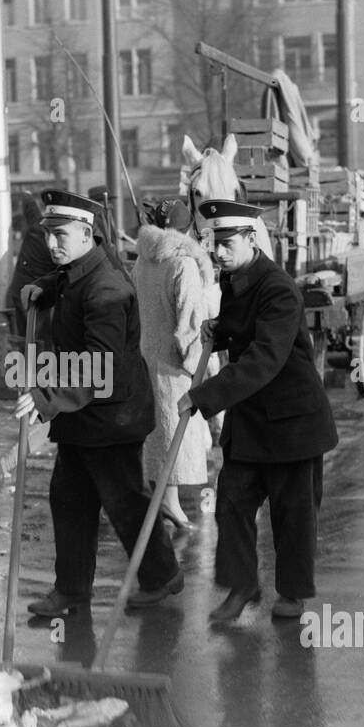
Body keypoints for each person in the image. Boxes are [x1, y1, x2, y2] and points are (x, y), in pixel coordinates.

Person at [13, 189, 184, 618]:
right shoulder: (80, 269)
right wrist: (44, 289)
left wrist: (44, 397)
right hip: (85, 416)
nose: (52, 245)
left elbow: (97, 365)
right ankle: (71, 590)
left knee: (124, 501)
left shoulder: (106, 287)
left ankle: (162, 575)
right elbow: (70, 280)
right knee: (69, 499)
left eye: (61, 235)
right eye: (48, 235)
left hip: (112, 418)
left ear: (87, 234)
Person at [180, 200, 337, 623]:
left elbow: (265, 357)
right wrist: (222, 330)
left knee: (294, 514)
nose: (219, 252)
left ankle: (291, 592)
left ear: (252, 238)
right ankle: (242, 585)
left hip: (292, 423)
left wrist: (203, 396)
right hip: (252, 419)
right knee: (231, 502)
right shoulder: (235, 279)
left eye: (228, 243)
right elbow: (244, 331)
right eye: (215, 243)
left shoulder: (278, 288)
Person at [133, 196, 214, 530]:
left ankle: (163, 500)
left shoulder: (143, 261)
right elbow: (190, 324)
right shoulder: (184, 265)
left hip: (146, 354)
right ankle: (169, 503)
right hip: (174, 362)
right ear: (188, 229)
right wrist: (199, 363)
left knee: (156, 431)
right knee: (174, 431)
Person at [4, 194, 55, 341]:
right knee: (39, 337)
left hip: (18, 289)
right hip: (36, 295)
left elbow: (30, 207)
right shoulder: (58, 242)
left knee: (21, 334)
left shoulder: (36, 225)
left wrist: (26, 195)